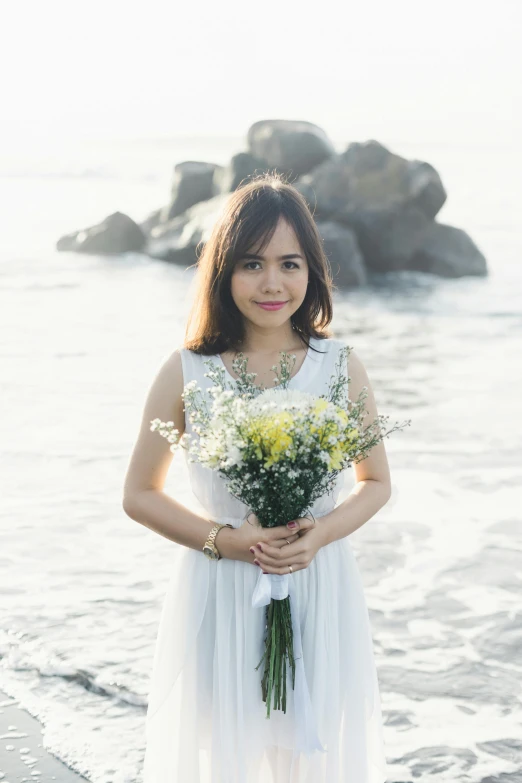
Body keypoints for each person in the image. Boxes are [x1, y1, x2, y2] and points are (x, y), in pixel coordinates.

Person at [122, 172, 392, 783]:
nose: (273, 283)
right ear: (223, 271)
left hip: (318, 583)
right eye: (252, 263)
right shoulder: (187, 369)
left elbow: (376, 481)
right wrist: (225, 540)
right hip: (220, 587)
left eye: (290, 263)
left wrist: (319, 534)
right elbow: (138, 493)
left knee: (310, 753)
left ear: (313, 271)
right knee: (227, 752)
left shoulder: (340, 366)